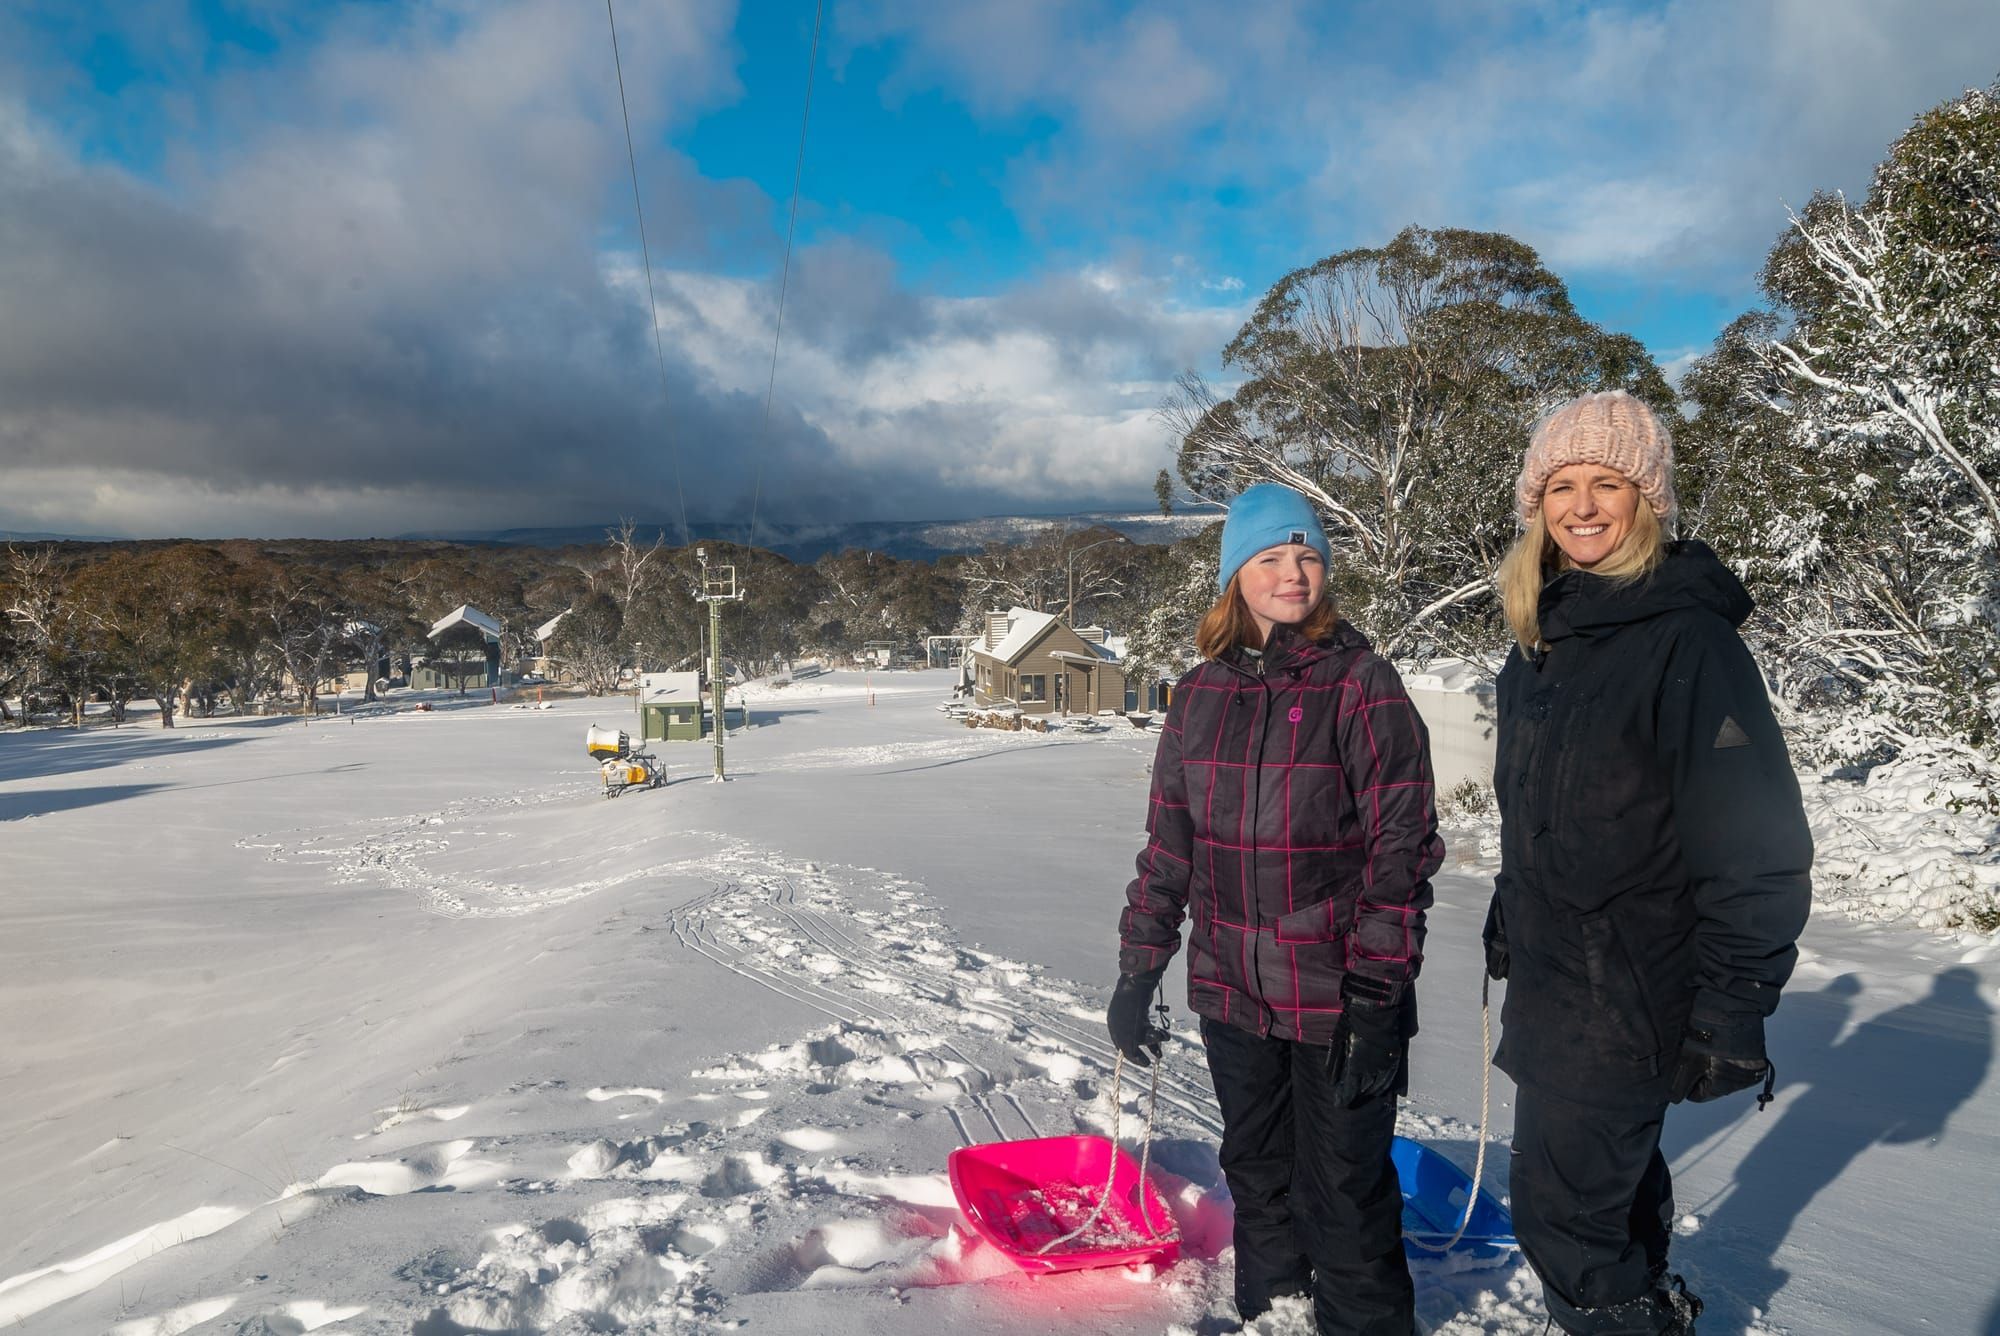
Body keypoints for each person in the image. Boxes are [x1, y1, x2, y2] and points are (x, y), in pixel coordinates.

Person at [1483, 391, 1813, 1335]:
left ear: (1650, 499)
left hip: (1631, 986)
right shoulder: (1543, 638)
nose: (1583, 506)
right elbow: (1547, 808)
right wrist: (1514, 904)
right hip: (1560, 978)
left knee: (1564, 1217)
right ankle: (1648, 1305)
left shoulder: (1688, 640)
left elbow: (1757, 842)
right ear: (1536, 505)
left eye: (1609, 483)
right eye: (1562, 486)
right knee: (1613, 1197)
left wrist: (1733, 1006)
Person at [1109, 482, 1443, 1336]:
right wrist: (1140, 967)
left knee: (1345, 1188)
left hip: (1338, 990)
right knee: (1257, 1173)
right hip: (1230, 988)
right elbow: (1170, 845)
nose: (1294, 573)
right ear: (1236, 576)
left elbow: (1401, 852)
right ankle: (1275, 1317)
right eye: (1270, 557)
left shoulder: (1362, 684)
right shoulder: (1197, 695)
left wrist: (1377, 990)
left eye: (1307, 556)